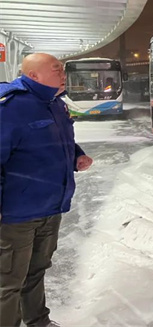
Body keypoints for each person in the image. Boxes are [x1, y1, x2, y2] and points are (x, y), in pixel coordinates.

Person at [0, 53, 93, 327]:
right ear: (34, 75)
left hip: (51, 207)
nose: (63, 74)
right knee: (8, 282)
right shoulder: (10, 107)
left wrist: (77, 156)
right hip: (17, 215)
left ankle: (38, 321)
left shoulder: (55, 103)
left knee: (36, 271)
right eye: (56, 70)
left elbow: (54, 142)